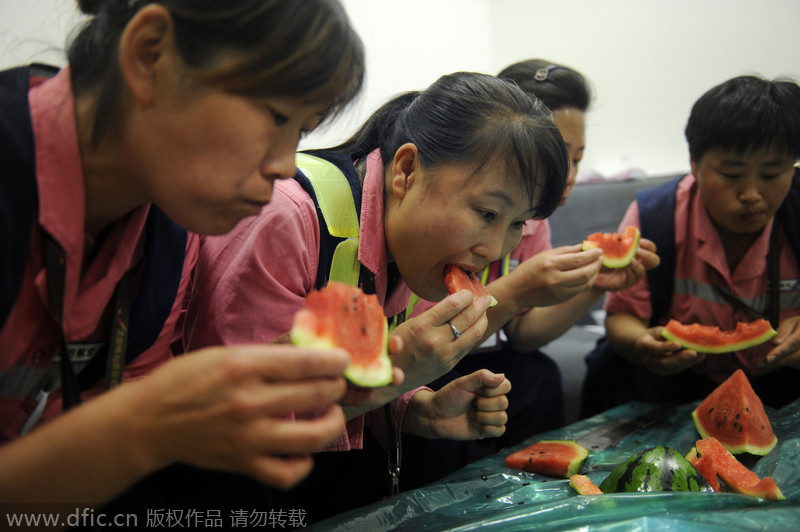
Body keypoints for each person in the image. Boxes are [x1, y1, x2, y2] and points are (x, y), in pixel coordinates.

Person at [0, 0, 369, 518]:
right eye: (277, 117)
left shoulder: (173, 229)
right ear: (150, 55)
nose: (285, 165)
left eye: (301, 133)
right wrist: (138, 428)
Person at [180, 70, 568, 520]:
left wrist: (415, 410)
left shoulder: (420, 248)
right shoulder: (286, 220)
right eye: (486, 213)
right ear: (405, 171)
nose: (495, 248)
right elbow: (234, 415)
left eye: (518, 224)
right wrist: (396, 372)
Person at [399, 59, 660, 490]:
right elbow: (423, 333)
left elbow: (523, 336)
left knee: (538, 374)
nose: (567, 176)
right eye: (556, 155)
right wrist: (516, 289)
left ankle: (534, 495)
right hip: (431, 357)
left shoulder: (535, 222)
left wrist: (594, 282)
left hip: (488, 353)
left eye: (576, 159)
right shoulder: (438, 222)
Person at [580, 74, 800, 419]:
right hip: (676, 386)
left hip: (783, 388)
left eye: (772, 175)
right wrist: (642, 344)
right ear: (695, 164)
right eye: (731, 174)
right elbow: (622, 316)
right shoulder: (655, 216)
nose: (752, 194)